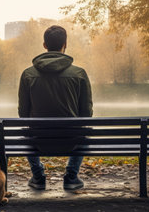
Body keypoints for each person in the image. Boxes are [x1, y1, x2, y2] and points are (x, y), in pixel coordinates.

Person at [18, 25, 93, 190]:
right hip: (72, 141)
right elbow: (86, 113)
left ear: (44, 45)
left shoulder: (28, 74)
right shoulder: (79, 74)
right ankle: (71, 177)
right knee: (87, 133)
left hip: (37, 141)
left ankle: (38, 177)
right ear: (65, 44)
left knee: (24, 134)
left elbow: (23, 113)